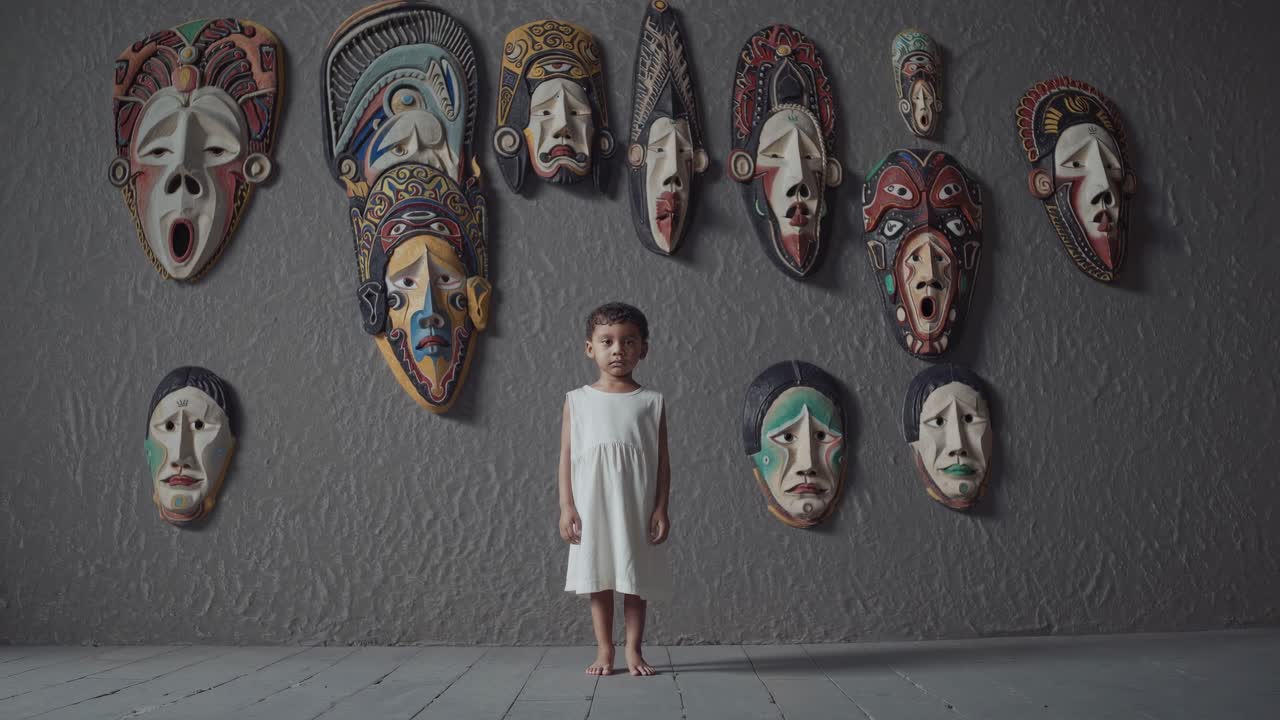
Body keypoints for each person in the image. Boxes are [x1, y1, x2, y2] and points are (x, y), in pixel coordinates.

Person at [559, 302, 672, 677]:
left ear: (644, 349)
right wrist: (567, 506)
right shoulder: (577, 401)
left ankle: (634, 650)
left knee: (634, 580)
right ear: (590, 348)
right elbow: (566, 457)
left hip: (635, 506)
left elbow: (663, 463)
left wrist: (660, 508)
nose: (618, 350)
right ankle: (604, 650)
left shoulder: (651, 402)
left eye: (629, 341)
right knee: (600, 577)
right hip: (593, 506)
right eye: (607, 341)